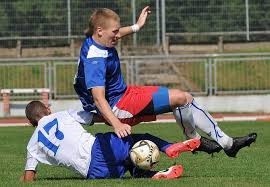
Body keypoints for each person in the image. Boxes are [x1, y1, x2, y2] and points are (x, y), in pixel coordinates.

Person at [73, 6, 257, 158]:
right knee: (180, 98)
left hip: (125, 93)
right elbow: (98, 99)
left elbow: (117, 32)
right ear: (99, 31)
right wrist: (117, 124)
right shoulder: (95, 59)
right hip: (118, 106)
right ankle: (195, 141)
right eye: (114, 32)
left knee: (186, 98)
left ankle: (226, 143)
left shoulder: (98, 39)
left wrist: (137, 26)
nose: (117, 35)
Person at [21, 101, 201, 182]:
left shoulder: (32, 144)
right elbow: (100, 117)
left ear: (31, 123)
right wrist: (125, 120)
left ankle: (152, 175)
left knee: (130, 162)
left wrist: (23, 179)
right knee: (138, 139)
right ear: (47, 110)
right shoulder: (63, 114)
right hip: (100, 149)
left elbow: (29, 177)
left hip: (94, 173)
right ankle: (169, 147)